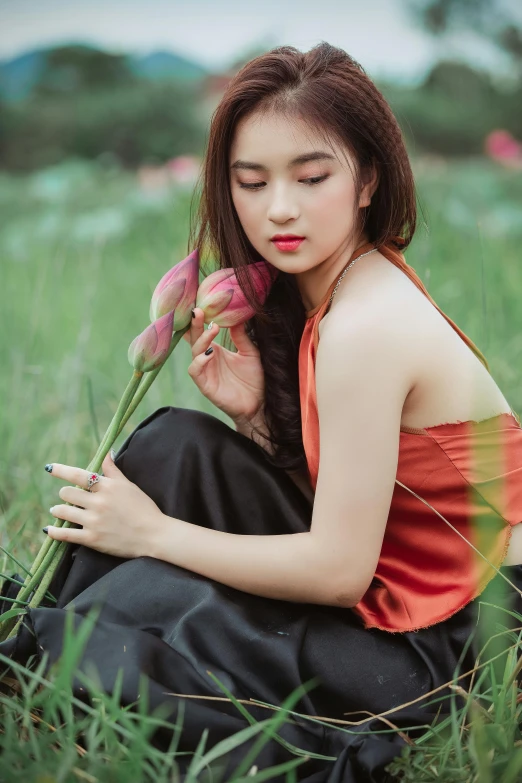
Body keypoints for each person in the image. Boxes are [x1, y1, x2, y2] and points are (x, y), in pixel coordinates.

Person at [2, 42, 522, 782]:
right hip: (409, 580)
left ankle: (51, 648)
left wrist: (153, 533)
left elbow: (340, 568)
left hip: (464, 638)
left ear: (368, 178)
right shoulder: (336, 289)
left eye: (312, 178)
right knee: (179, 446)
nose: (280, 209)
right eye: (252, 183)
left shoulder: (367, 327)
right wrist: (255, 419)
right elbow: (367, 499)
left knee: (155, 592)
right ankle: (48, 633)